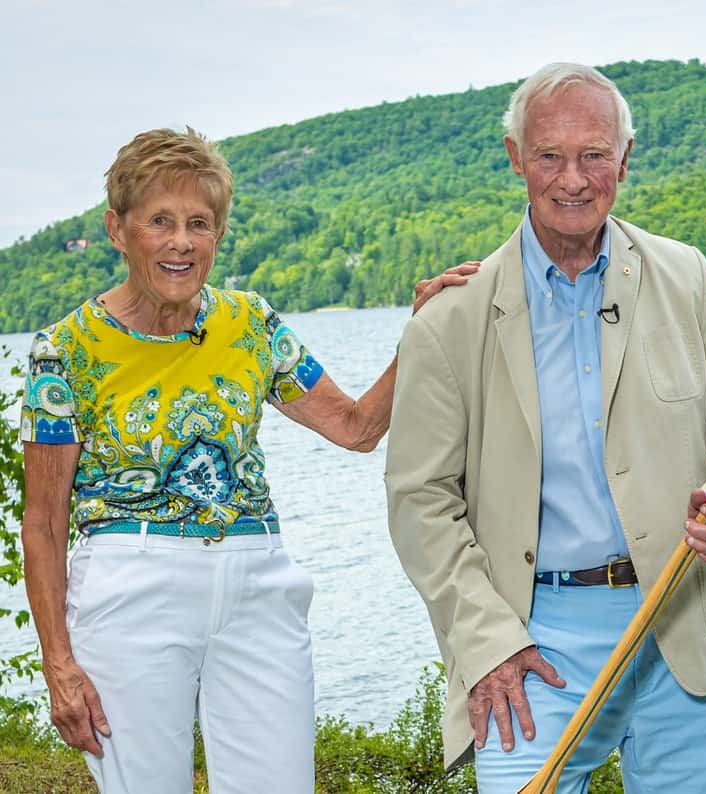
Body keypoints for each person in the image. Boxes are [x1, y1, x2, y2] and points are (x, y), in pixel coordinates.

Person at [19, 126, 477, 794]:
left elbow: (355, 428)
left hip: (258, 581)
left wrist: (420, 334)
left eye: (200, 223)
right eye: (161, 222)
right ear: (118, 230)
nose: (182, 242)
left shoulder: (250, 323)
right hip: (129, 587)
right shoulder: (64, 351)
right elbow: (43, 523)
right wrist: (58, 661)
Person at [385, 63, 706, 793]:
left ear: (625, 159)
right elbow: (421, 502)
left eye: (594, 155)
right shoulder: (448, 321)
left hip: (686, 618)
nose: (572, 178)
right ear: (515, 158)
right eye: (550, 156)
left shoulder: (688, 278)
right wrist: (486, 642)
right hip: (529, 642)